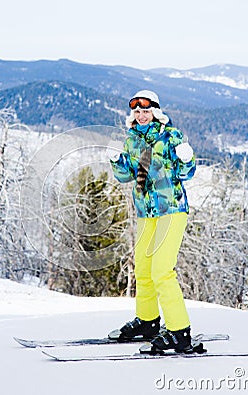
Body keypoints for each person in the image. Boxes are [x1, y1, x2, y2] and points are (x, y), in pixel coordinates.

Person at [107, 90, 200, 353]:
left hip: (171, 209)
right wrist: (117, 160)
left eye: (145, 110)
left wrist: (186, 157)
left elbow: (186, 172)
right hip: (146, 212)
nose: (141, 114)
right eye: (136, 111)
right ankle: (147, 322)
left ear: (156, 111)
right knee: (144, 270)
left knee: (162, 270)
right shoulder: (132, 140)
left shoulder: (171, 136)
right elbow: (126, 176)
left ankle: (179, 331)